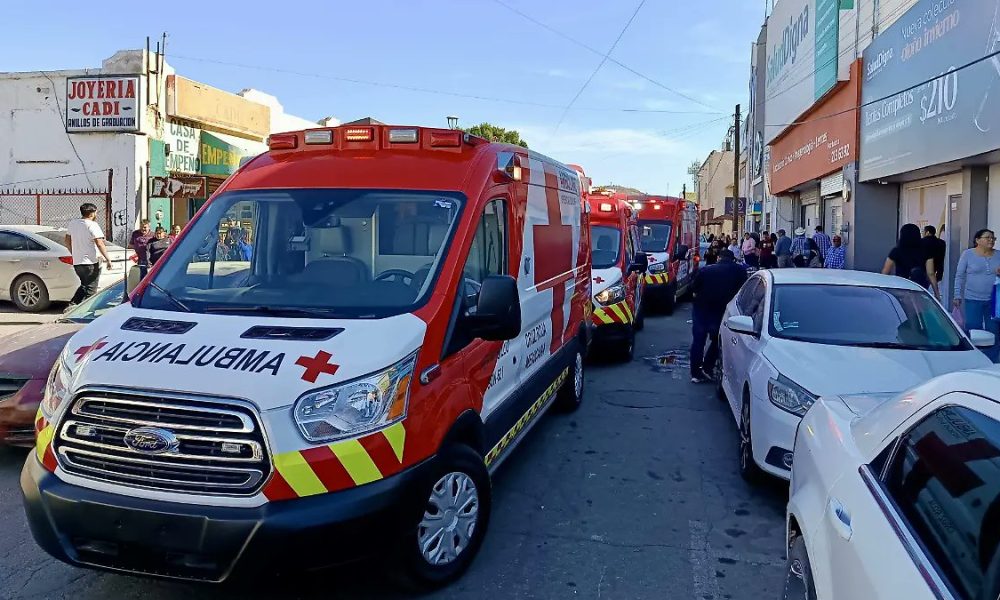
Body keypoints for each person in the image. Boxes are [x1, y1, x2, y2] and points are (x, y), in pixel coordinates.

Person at [690, 249, 748, 383]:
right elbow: (743, 292)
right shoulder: (739, 271)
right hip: (722, 309)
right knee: (719, 340)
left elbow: (693, 287)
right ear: (733, 259)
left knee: (698, 341)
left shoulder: (706, 270)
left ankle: (696, 373)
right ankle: (708, 366)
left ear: (718, 258)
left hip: (702, 308)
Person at [953, 228, 1000, 362]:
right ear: (977, 240)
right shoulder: (968, 254)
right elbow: (959, 276)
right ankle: (974, 359)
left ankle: (991, 360)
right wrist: (957, 295)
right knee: (974, 330)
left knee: (993, 331)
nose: (991, 240)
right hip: (972, 298)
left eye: (993, 238)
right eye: (987, 237)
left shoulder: (998, 255)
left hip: (994, 300)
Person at [66, 203, 114, 304]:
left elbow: (67, 240)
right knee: (91, 290)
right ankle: (88, 310)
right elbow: (100, 243)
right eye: (96, 212)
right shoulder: (92, 225)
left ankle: (72, 305)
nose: (96, 214)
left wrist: (74, 253)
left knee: (84, 286)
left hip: (78, 262)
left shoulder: (73, 223)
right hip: (91, 262)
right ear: (92, 213)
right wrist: (108, 259)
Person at [882, 223, 938, 297]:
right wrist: (936, 293)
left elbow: (886, 271)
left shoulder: (896, 251)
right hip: (920, 288)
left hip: (901, 287)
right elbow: (930, 273)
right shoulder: (926, 251)